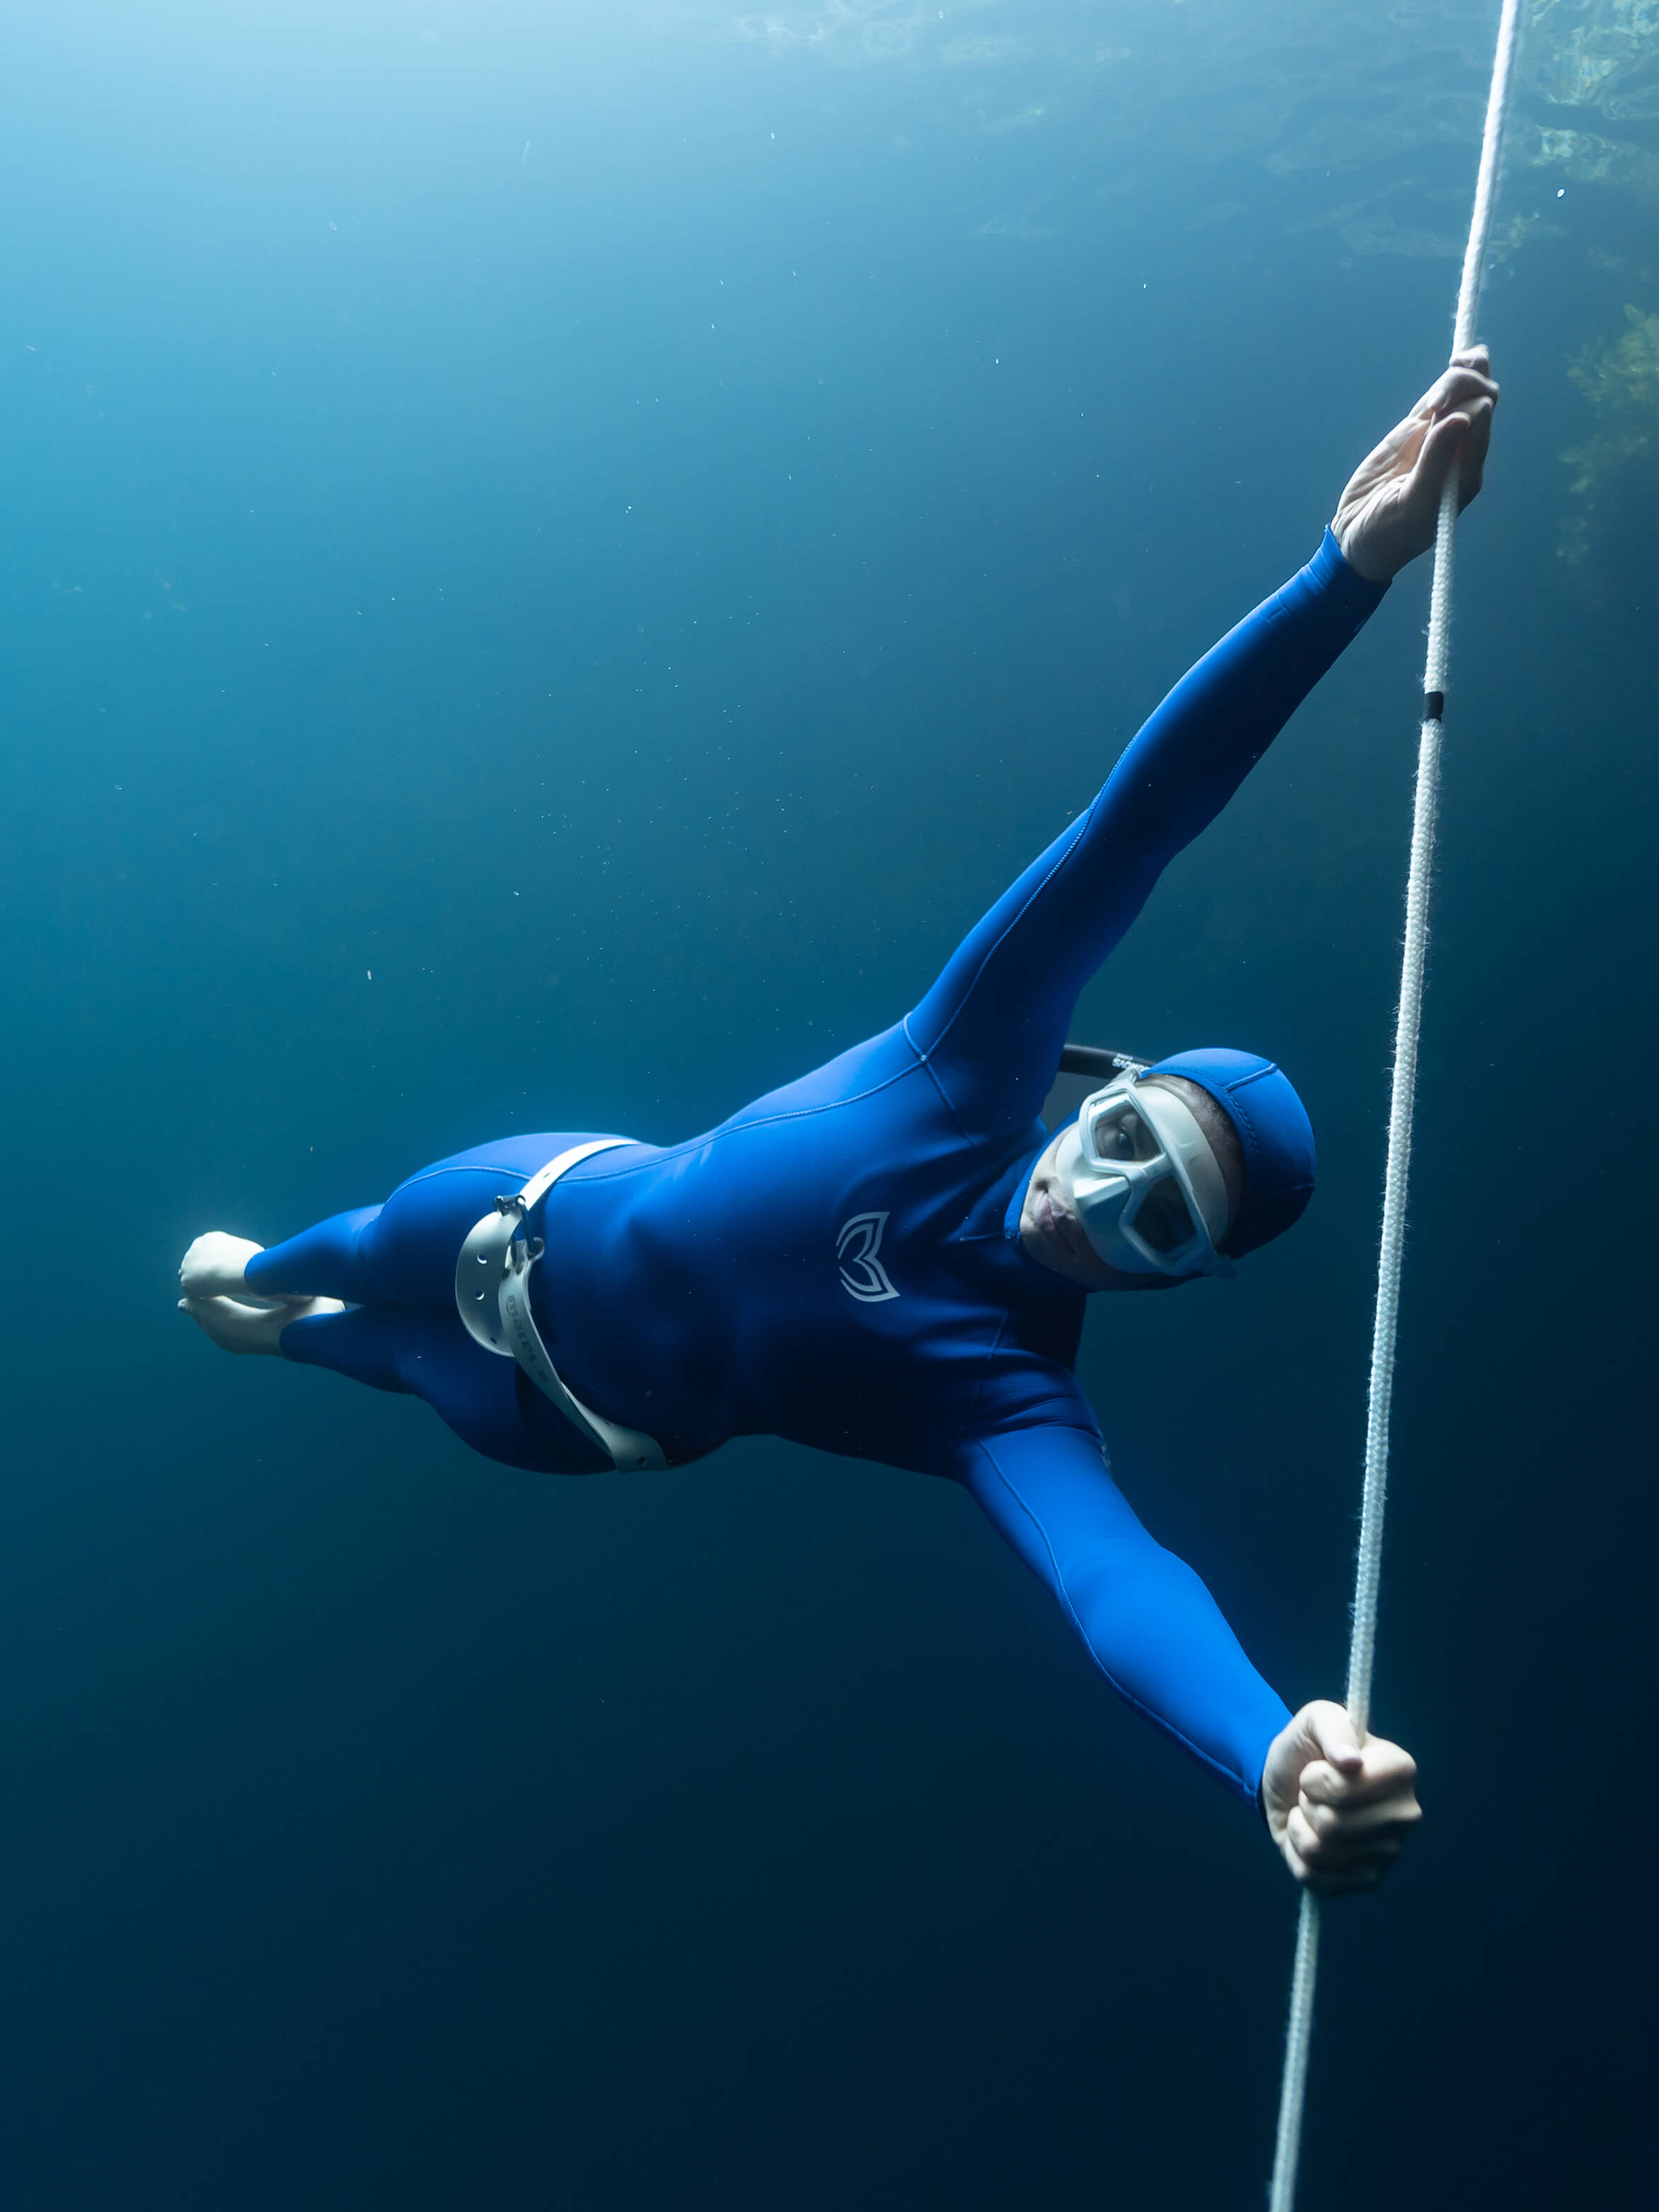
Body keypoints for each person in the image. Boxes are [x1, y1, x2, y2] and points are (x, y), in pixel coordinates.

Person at [181, 349, 1498, 1895]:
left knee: (381, 1357)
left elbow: (1112, 1580)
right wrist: (1340, 575)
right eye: (1126, 1142)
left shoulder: (1004, 1395)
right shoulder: (964, 1064)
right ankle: (262, 1278)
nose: (1095, 1199)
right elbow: (1138, 823)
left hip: (567, 1415)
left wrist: (1270, 1748)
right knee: (341, 1250)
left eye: (1155, 1223)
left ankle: (282, 1338)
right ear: (1104, 1090)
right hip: (529, 1195)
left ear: (1176, 1278)